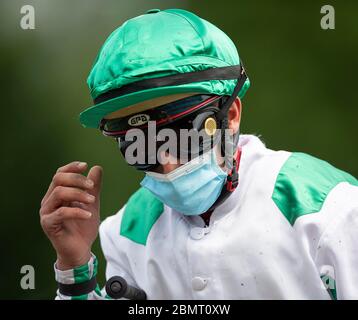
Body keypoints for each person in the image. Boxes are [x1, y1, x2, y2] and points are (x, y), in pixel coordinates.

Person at [39, 8, 358, 300]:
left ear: (231, 115)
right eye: (140, 146)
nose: (167, 162)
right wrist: (75, 267)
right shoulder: (124, 233)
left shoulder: (329, 210)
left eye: (184, 135)